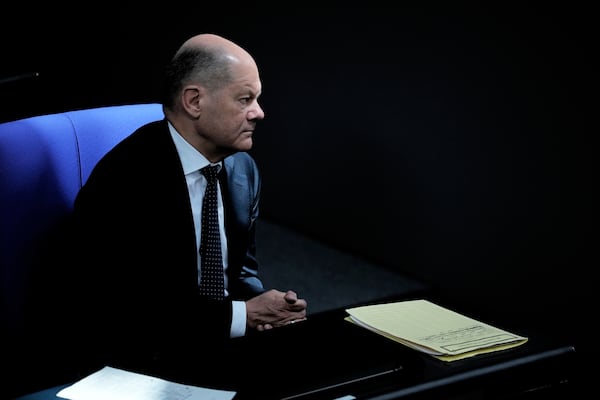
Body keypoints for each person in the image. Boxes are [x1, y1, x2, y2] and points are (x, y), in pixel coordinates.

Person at [63, 33, 308, 386]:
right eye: (245, 99)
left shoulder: (243, 169)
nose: (259, 113)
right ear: (194, 101)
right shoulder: (125, 181)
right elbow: (131, 311)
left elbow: (238, 269)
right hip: (139, 357)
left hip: (217, 342)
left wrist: (269, 307)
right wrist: (242, 315)